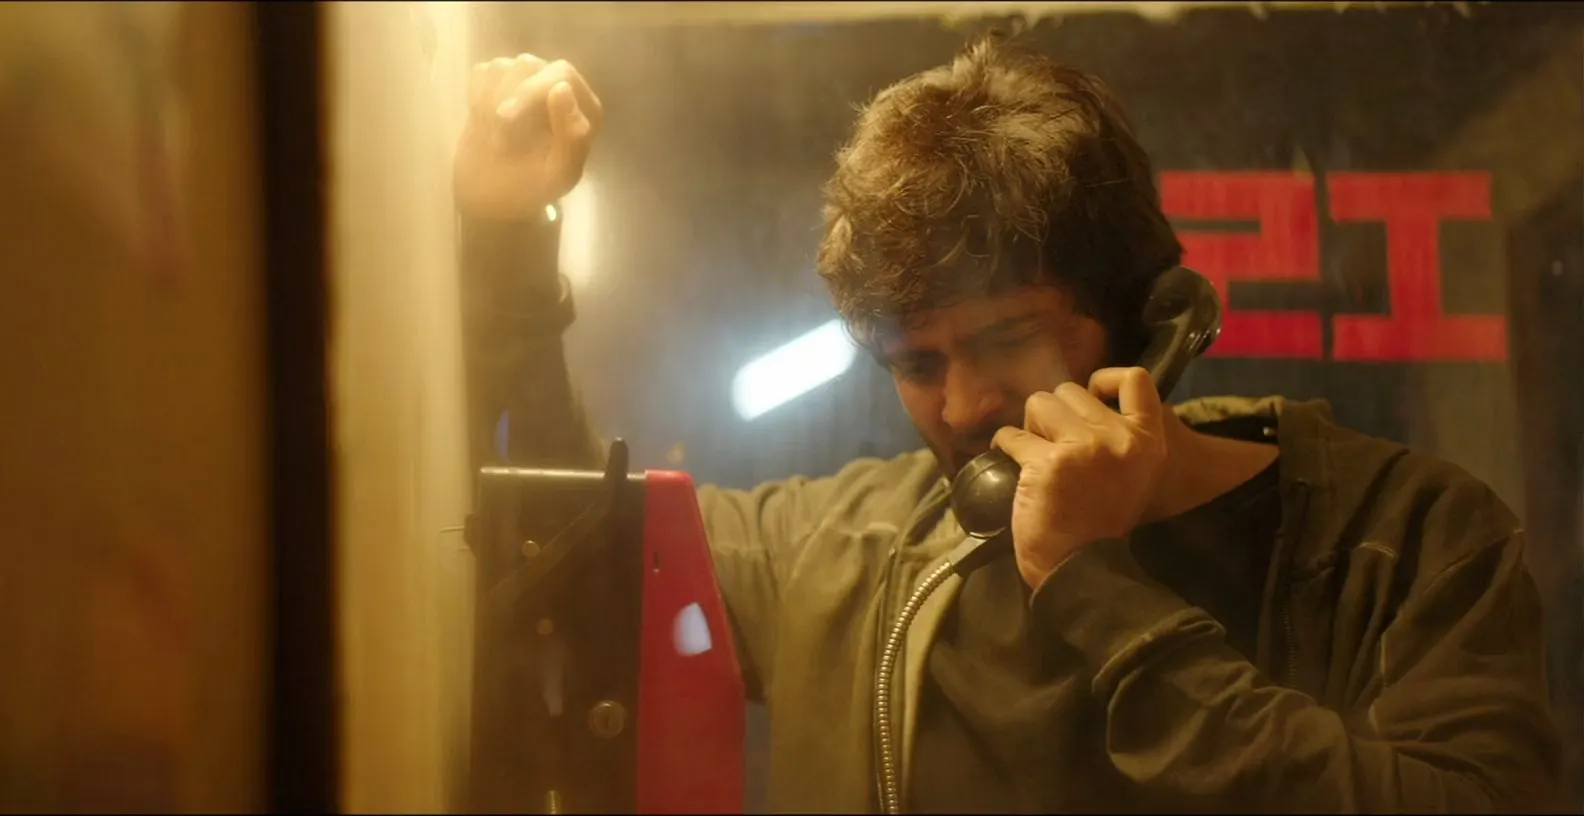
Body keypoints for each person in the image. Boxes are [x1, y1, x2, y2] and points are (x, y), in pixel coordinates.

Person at [455, 34, 1563, 813]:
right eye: (918, 364)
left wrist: (1095, 590)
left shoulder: (1401, 538)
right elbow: (572, 549)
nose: (963, 406)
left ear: (1150, 322)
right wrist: (508, 241)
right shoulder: (846, 551)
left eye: (1006, 340)